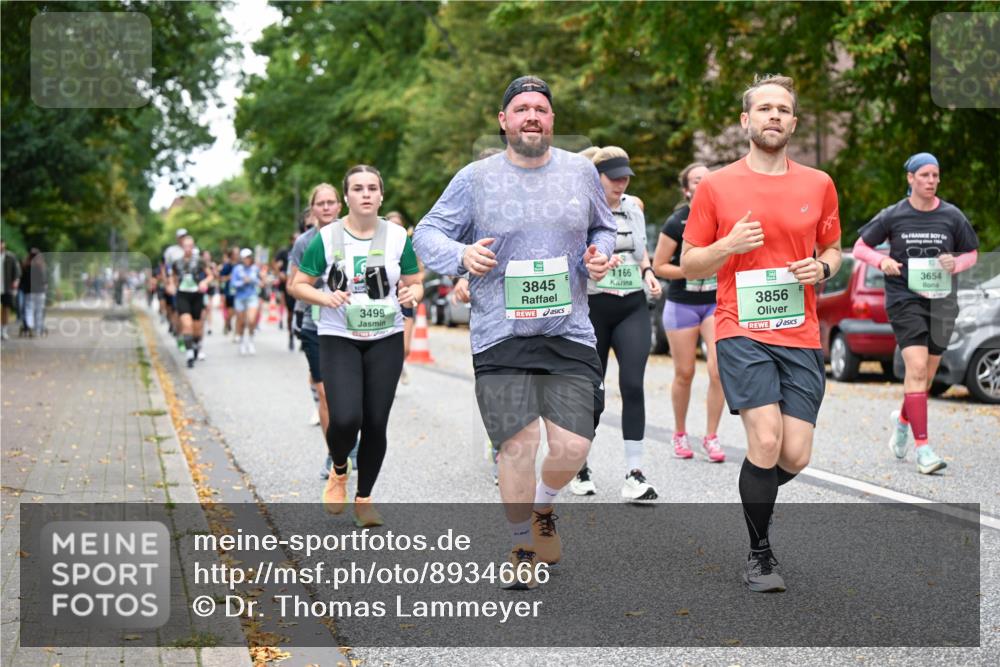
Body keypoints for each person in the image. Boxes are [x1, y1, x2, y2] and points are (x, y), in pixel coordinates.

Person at [413, 75, 616, 588]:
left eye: (540, 109)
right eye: (522, 108)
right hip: (500, 332)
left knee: (573, 446)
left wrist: (600, 254)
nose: (532, 116)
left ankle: (545, 506)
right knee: (517, 444)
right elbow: (426, 234)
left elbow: (603, 226)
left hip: (569, 330)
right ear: (504, 120)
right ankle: (522, 544)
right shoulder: (475, 179)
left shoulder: (579, 172)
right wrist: (461, 254)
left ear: (552, 120)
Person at [681, 74, 841, 593]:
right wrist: (727, 245)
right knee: (766, 439)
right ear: (745, 120)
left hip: (800, 332)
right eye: (765, 107)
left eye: (783, 109)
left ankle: (758, 497)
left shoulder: (818, 184)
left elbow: (833, 247)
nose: (774, 115)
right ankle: (759, 553)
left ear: (793, 123)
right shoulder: (716, 186)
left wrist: (824, 267)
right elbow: (689, 261)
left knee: (794, 455)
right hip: (739, 327)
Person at [290, 165, 424, 528]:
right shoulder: (327, 237)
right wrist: (324, 297)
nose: (366, 194)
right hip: (339, 337)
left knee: (376, 421)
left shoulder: (397, 236)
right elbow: (298, 284)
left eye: (372, 188)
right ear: (346, 197)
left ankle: (364, 499)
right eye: (358, 188)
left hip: (386, 336)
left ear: (381, 196)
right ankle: (339, 468)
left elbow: (415, 281)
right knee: (346, 417)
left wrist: (413, 292)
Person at [852, 153, 978, 474]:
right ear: (910, 178)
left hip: (942, 302)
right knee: (917, 368)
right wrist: (882, 261)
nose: (931, 181)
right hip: (904, 298)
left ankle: (903, 425)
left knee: (926, 376)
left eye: (935, 175)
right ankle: (924, 450)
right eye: (924, 175)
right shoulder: (894, 214)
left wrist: (955, 263)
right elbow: (860, 247)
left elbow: (972, 253)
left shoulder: (952, 215)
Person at [568, 146, 662, 502]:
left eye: (626, 177)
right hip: (593, 307)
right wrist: (592, 264)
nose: (621, 184)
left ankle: (634, 473)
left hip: (632, 304)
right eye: (614, 178)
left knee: (633, 384)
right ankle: (580, 466)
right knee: (592, 392)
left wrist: (648, 272)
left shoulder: (633, 207)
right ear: (597, 177)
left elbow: (640, 251)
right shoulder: (580, 210)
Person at [652, 162, 726, 463]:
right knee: (685, 373)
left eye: (708, 178)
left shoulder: (724, 217)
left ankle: (711, 436)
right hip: (682, 304)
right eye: (697, 180)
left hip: (715, 303)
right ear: (686, 190)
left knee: (718, 370)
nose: (703, 182)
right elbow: (659, 266)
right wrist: (692, 269)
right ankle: (680, 433)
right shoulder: (676, 222)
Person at [171, 235, 213, 368]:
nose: (188, 249)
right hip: (183, 295)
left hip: (196, 295)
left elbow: (210, 275)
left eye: (190, 246)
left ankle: (195, 344)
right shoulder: (177, 262)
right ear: (182, 247)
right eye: (185, 246)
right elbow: (173, 277)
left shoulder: (199, 261)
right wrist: (172, 285)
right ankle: (189, 353)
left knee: (197, 328)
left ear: (193, 247)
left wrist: (204, 282)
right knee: (186, 324)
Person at [386, 211, 416, 385]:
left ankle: (399, 364)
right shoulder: (379, 247)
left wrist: (411, 289)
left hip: (405, 301)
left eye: (399, 225)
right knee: (387, 347)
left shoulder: (406, 246)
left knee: (405, 348)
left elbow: (418, 276)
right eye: (392, 225)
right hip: (386, 303)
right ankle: (390, 377)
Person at [231, 248, 261, 355]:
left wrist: (252, 280)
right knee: (241, 322)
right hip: (240, 297)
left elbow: (259, 280)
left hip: (252, 296)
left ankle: (251, 341)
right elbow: (233, 284)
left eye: (248, 257)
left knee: (252, 320)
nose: (247, 259)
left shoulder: (255, 268)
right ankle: (242, 342)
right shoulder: (237, 269)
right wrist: (242, 282)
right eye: (245, 258)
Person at [274, 233, 298, 350]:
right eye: (295, 239)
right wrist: (280, 274)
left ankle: (303, 337)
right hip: (287, 284)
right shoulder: (285, 252)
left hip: (302, 284)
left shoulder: (306, 248)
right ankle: (291, 336)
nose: (297, 241)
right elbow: (276, 264)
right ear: (291, 240)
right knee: (290, 312)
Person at [21, 249, 47, 337]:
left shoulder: (26, 266)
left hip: (29, 292)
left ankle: (30, 326)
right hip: (40, 291)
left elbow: (23, 279)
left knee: (29, 310)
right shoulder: (41, 266)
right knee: (39, 311)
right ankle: (38, 330)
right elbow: (44, 280)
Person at [1, 241, 20, 340]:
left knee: (6, 308)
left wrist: (15, 282)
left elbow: (17, 272)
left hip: (7, 287)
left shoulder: (11, 257)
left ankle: (4, 330)